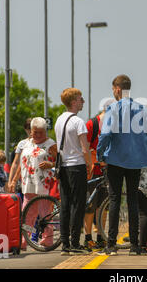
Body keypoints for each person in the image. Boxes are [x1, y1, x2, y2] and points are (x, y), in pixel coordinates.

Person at [97, 74, 147, 256]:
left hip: (115, 160)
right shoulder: (143, 109)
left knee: (115, 199)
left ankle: (111, 245)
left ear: (116, 89)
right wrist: (145, 152)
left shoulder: (113, 109)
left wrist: (101, 155)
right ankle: (135, 245)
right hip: (136, 161)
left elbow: (105, 134)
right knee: (132, 200)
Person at [55, 88, 93, 256]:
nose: (82, 101)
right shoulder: (78, 122)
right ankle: (76, 243)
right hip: (77, 166)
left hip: (63, 167)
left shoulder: (59, 120)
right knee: (78, 205)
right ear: (73, 102)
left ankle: (65, 244)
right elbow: (85, 148)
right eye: (80, 99)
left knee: (65, 205)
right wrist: (90, 164)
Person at [13, 117, 57, 250]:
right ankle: (24, 239)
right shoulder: (25, 144)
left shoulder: (50, 144)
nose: (37, 135)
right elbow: (20, 164)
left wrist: (51, 164)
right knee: (27, 214)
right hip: (28, 184)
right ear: (30, 131)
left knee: (45, 213)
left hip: (44, 184)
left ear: (45, 131)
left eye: (41, 132)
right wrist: (14, 180)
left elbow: (60, 162)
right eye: (35, 132)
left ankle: (47, 239)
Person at [83, 98, 114, 251]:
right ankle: (88, 238)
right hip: (93, 171)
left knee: (103, 206)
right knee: (90, 205)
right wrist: (93, 161)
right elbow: (85, 147)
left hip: (108, 171)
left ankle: (101, 237)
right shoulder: (92, 124)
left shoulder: (113, 125)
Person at [7, 118, 32, 198]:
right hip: (24, 178)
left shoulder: (43, 142)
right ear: (25, 129)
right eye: (28, 128)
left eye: (32, 128)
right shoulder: (22, 143)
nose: (31, 131)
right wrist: (10, 181)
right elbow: (16, 163)